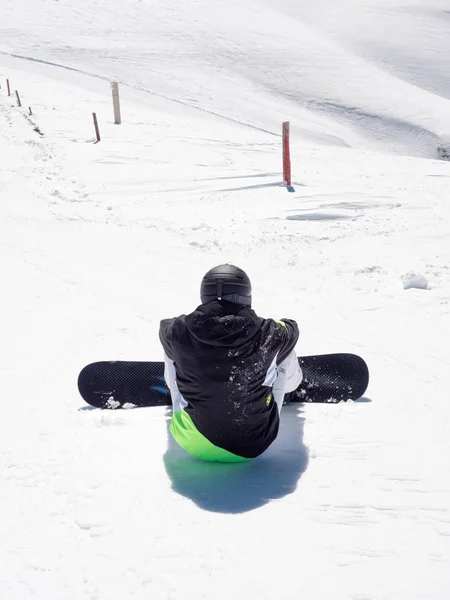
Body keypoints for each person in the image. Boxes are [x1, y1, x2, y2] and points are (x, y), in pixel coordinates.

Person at [159, 264, 302, 462]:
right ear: (246, 296)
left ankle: (176, 383)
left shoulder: (177, 329)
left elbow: (165, 326)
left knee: (171, 348)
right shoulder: (270, 332)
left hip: (191, 442)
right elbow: (291, 327)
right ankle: (293, 386)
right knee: (283, 348)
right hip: (253, 444)